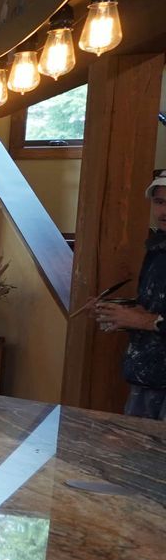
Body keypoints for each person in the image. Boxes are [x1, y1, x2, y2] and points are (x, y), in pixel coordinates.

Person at [94, 168, 166, 419]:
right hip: (145, 377)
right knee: (134, 458)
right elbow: (152, 305)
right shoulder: (157, 249)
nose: (163, 211)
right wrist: (120, 312)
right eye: (159, 202)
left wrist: (143, 321)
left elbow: (150, 318)